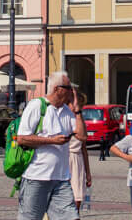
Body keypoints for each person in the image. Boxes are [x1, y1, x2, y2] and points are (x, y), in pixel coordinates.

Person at [15, 71, 86, 220]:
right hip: (36, 178)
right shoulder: (37, 106)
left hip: (61, 179)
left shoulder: (67, 111)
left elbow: (82, 136)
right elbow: (22, 138)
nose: (71, 91)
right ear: (57, 89)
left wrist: (77, 109)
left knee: (72, 217)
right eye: (68, 87)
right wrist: (52, 141)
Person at [67, 90, 92, 211]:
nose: (78, 107)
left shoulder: (80, 120)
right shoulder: (64, 119)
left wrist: (88, 172)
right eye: (76, 104)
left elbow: (84, 147)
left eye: (81, 105)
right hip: (66, 158)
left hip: (78, 160)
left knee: (78, 198)